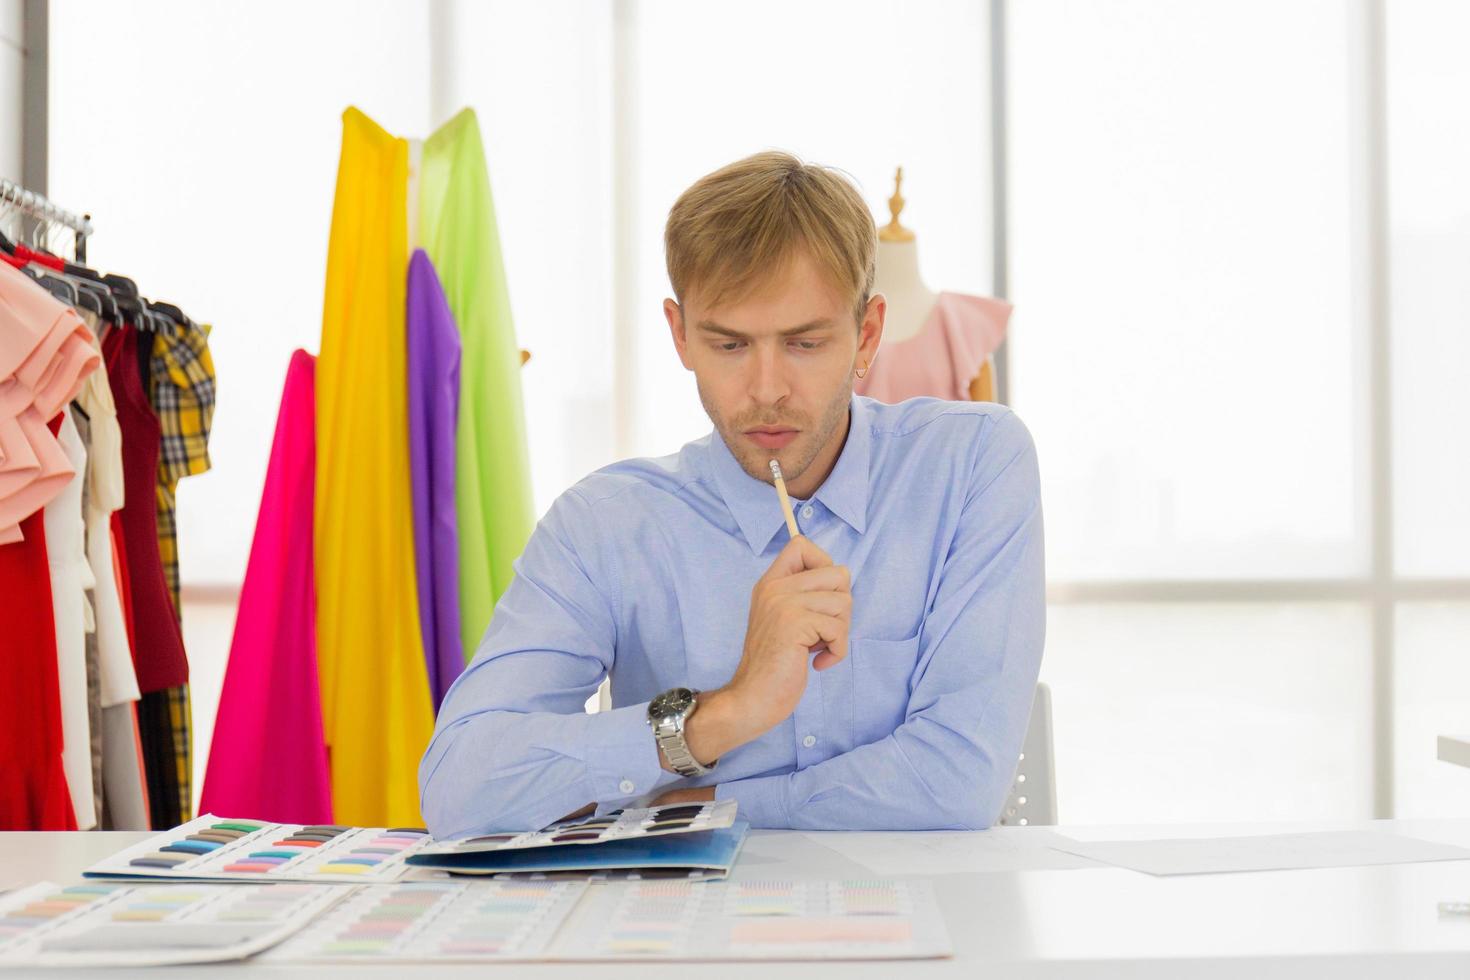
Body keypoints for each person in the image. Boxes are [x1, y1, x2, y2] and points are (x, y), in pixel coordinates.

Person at [420, 151, 1044, 835]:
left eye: (804, 344)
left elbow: (957, 784)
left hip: (932, 929)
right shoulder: (604, 524)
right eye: (729, 345)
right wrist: (724, 713)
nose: (767, 389)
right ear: (681, 334)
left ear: (866, 336)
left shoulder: (973, 464)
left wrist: (699, 806)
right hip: (686, 934)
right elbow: (458, 792)